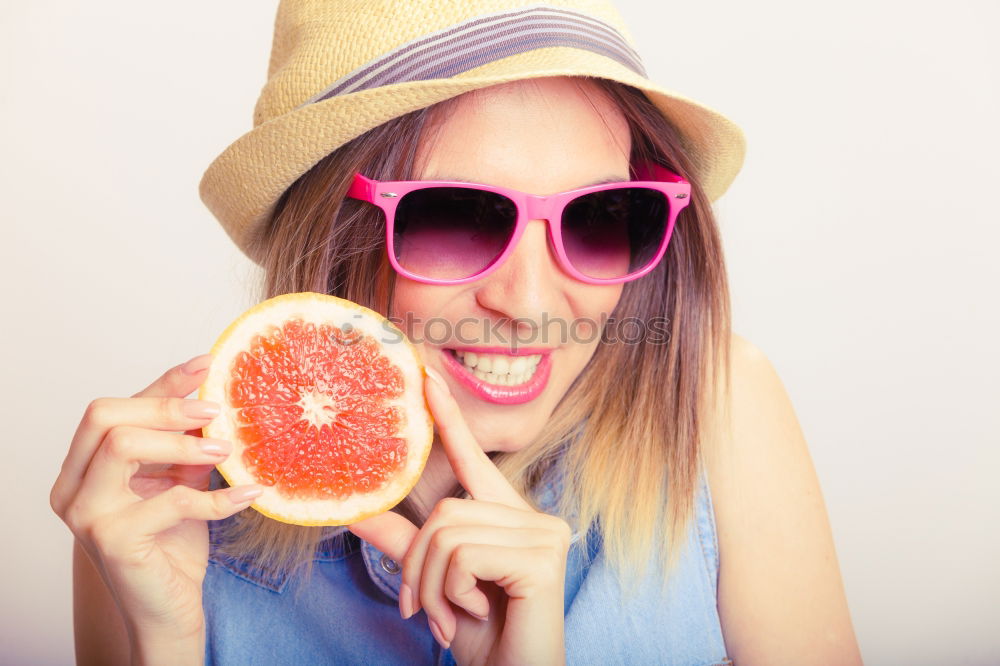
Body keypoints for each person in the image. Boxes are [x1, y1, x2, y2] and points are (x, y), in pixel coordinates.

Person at [50, 1, 864, 664]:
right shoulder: (156, 511)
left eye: (600, 216)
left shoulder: (719, 407)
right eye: (458, 218)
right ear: (331, 237)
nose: (531, 298)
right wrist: (164, 645)